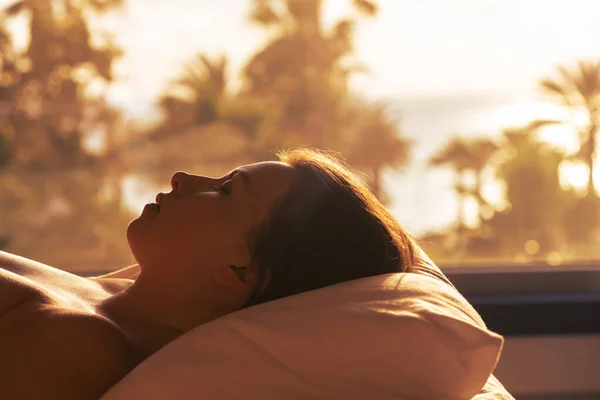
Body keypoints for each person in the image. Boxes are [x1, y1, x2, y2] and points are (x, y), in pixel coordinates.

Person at [0, 148, 417, 399]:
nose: (183, 178)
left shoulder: (78, 352)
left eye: (224, 190)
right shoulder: (113, 294)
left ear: (240, 270)